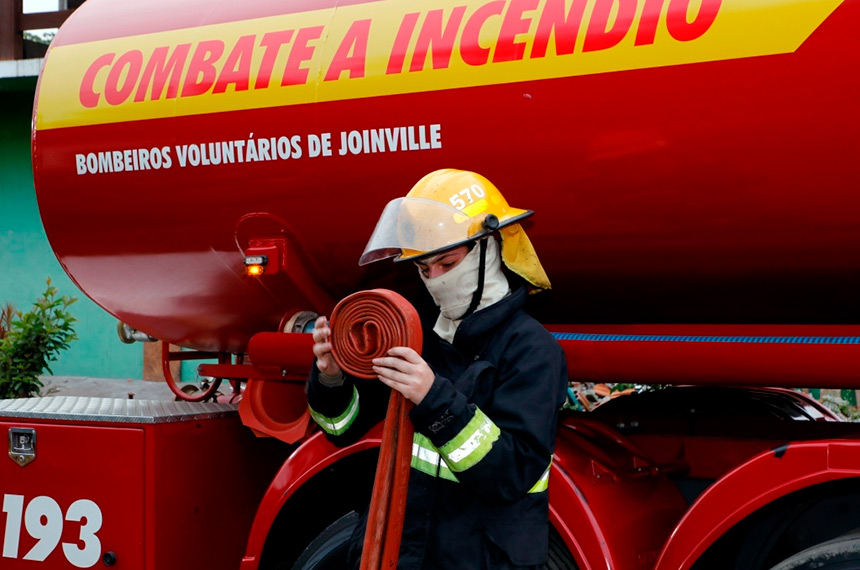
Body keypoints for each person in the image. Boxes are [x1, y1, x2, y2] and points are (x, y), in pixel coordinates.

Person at [306, 169, 569, 569]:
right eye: (424, 268)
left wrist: (434, 399)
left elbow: (512, 475)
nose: (435, 280)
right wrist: (331, 377)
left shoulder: (532, 350)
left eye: (447, 262)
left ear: (489, 249)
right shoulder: (415, 333)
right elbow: (340, 428)